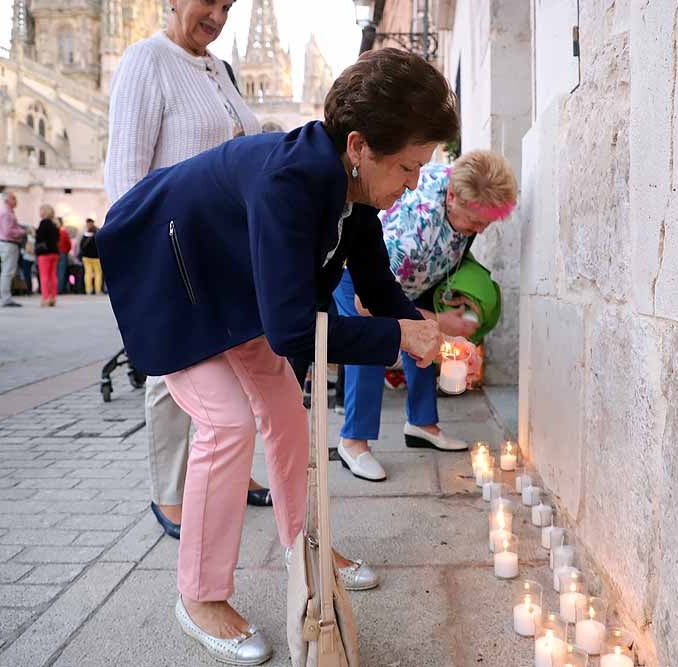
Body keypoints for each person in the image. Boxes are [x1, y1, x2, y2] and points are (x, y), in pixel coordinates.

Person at [98, 47, 457, 665]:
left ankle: (306, 544)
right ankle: (200, 596)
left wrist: (425, 326)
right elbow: (294, 332)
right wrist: (399, 339)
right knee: (227, 421)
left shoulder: (356, 189)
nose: (414, 184)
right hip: (170, 279)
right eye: (408, 166)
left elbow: (376, 288)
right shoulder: (289, 181)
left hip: (232, 286)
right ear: (359, 145)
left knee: (287, 412)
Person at [104, 0, 267, 545]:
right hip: (172, 246)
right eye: (210, 1)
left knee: (234, 363)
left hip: (229, 247)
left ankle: (232, 469)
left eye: (228, 5)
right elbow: (126, 176)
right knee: (172, 371)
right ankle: (169, 489)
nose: (218, 16)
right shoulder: (146, 60)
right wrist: (147, 261)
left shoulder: (220, 69)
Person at [332, 150, 517, 481]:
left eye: (487, 223)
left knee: (425, 343)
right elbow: (370, 303)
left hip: (412, 278)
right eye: (477, 222)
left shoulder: (463, 187)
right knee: (372, 344)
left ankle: (421, 424)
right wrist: (438, 320)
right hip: (361, 283)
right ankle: (353, 441)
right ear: (452, 196)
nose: (481, 230)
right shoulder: (416, 229)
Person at [0, 191, 26, 307]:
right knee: (7, 272)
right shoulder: (6, 213)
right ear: (7, 200)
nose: (16, 201)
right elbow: (8, 231)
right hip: (8, 244)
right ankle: (6, 298)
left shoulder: (8, 212)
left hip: (8, 244)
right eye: (13, 198)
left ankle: (6, 297)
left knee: (7, 271)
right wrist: (23, 232)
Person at [35, 205, 60, 307]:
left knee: (44, 276)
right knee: (53, 276)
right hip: (55, 253)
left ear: (44, 212)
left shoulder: (43, 223)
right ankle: (53, 298)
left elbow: (39, 237)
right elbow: (57, 239)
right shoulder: (55, 224)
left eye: (40, 211)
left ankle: (45, 298)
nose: (39, 213)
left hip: (44, 253)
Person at [79, 218, 102, 295]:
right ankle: (97, 290)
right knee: (98, 273)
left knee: (88, 274)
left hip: (86, 257)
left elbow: (81, 246)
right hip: (96, 257)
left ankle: (88, 290)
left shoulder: (84, 234)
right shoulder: (98, 233)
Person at [57, 216, 71, 294]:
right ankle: (60, 289)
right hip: (63, 253)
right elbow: (68, 244)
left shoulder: (53, 232)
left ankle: (55, 289)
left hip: (54, 252)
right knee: (61, 272)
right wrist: (66, 251)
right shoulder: (63, 232)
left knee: (54, 272)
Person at [20, 229, 36, 295]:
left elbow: (22, 250)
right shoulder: (34, 238)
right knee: (30, 274)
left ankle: (28, 289)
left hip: (26, 257)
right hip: (33, 258)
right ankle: (30, 289)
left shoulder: (25, 238)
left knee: (26, 275)